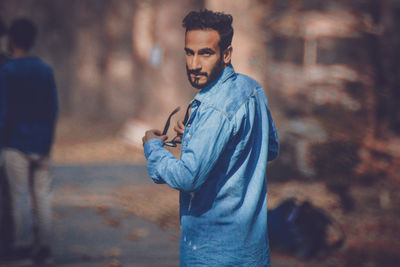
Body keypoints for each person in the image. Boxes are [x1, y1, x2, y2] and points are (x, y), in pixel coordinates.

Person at [142, 9, 279, 267]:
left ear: (226, 54)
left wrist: (153, 148)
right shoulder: (252, 89)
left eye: (205, 53)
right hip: (252, 253)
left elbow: (187, 177)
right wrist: (198, 138)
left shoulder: (213, 107)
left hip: (213, 253)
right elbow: (269, 148)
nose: (194, 64)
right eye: (189, 52)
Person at [0, 18, 58, 264]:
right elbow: (53, 108)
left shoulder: (7, 71)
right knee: (43, 197)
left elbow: (3, 111)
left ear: (11, 40)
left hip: (15, 144)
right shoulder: (45, 70)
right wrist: (47, 142)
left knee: (20, 197)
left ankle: (24, 246)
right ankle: (44, 247)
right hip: (41, 144)